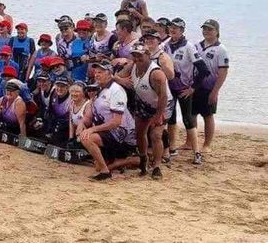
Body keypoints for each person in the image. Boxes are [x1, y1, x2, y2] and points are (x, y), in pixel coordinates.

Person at [79, 62, 138, 181]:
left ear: (109, 74)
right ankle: (118, 163)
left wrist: (92, 129)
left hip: (122, 134)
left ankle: (106, 171)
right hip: (108, 131)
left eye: (100, 72)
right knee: (96, 165)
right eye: (95, 72)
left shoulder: (116, 90)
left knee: (86, 138)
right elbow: (89, 114)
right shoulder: (99, 89)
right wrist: (82, 123)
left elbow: (116, 122)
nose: (96, 75)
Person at [162, 18, 206, 164]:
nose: (173, 30)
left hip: (183, 88)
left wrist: (192, 88)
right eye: (171, 27)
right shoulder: (165, 45)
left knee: (188, 120)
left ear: (182, 31)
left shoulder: (188, 46)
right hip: (169, 88)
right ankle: (172, 148)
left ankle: (197, 152)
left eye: (177, 28)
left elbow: (203, 70)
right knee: (170, 118)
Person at [127, 43, 171, 179]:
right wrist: (121, 80)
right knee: (140, 134)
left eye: (139, 55)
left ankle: (157, 166)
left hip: (162, 104)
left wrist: (158, 116)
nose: (136, 59)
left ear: (148, 55)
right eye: (134, 55)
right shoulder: (132, 65)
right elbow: (118, 76)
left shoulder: (156, 74)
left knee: (156, 135)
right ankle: (143, 159)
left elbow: (163, 96)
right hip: (143, 103)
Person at [193, 19, 229, 155]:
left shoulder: (221, 49)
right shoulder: (196, 46)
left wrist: (215, 91)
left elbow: (223, 72)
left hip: (210, 88)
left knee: (208, 115)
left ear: (217, 31)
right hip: (195, 86)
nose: (206, 31)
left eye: (210, 29)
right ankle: (191, 142)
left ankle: (207, 144)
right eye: (205, 29)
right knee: (192, 114)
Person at [43, 76, 72, 145]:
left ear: (67, 87)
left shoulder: (71, 98)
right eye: (58, 86)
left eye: (62, 86)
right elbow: (50, 111)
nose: (59, 89)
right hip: (55, 122)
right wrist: (49, 128)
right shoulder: (54, 94)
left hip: (66, 126)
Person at [68, 82, 92, 148]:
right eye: (72, 91)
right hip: (77, 133)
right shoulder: (72, 103)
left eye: (77, 92)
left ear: (84, 93)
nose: (74, 94)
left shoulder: (88, 105)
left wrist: (79, 139)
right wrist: (71, 138)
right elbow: (71, 121)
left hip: (87, 134)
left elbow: (88, 124)